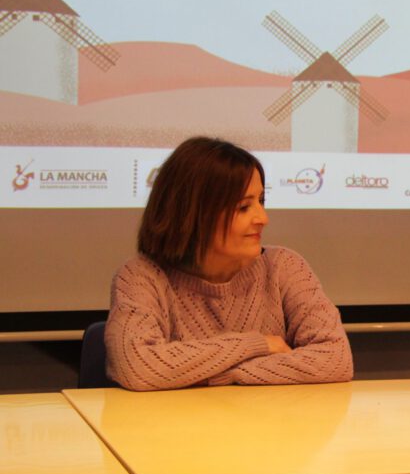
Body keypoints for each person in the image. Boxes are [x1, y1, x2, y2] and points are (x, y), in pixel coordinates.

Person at [105, 137, 354, 391]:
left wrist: (223, 373)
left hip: (269, 416)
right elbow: (138, 367)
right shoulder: (141, 277)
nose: (263, 218)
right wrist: (259, 344)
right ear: (194, 214)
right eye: (244, 207)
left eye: (261, 201)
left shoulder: (284, 267)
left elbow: (335, 359)